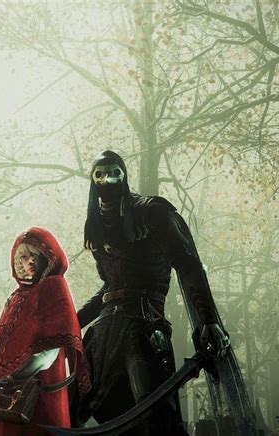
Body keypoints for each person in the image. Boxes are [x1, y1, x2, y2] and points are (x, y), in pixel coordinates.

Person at [75, 150, 230, 435]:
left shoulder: (151, 211)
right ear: (93, 180)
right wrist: (69, 325)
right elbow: (110, 287)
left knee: (156, 415)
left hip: (144, 327)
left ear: (124, 174)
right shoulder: (95, 226)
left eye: (114, 173)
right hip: (103, 333)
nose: (107, 180)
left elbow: (188, 265)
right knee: (73, 409)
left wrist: (207, 319)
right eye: (100, 174)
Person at [0, 227, 91, 436]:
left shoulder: (53, 287)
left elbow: (50, 350)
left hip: (38, 388)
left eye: (35, 255)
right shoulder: (17, 296)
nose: (29, 261)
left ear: (46, 258)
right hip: (10, 391)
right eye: (23, 257)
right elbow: (3, 341)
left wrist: (11, 376)